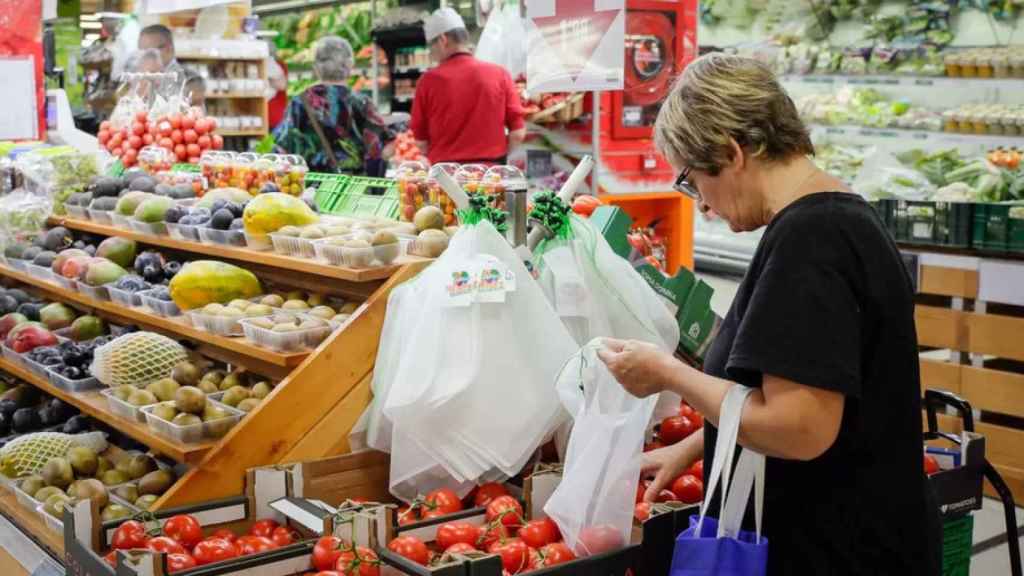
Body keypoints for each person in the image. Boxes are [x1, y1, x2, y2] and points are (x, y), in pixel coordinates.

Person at [597, 53, 941, 575]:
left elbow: (800, 427)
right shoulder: (840, 215)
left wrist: (668, 374)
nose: (702, 205)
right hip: (872, 534)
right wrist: (694, 446)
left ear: (732, 152)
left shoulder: (811, 241)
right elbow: (807, 384)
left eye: (691, 181)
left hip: (840, 549)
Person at [410, 8, 525, 165]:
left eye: (431, 46)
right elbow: (518, 133)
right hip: (491, 176)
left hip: (445, 178)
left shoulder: (428, 81)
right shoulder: (500, 74)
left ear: (443, 40)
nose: (431, 53)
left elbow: (421, 142)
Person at [273, 36, 394, 175]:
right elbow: (383, 150)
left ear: (316, 68)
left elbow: (282, 148)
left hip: (311, 187)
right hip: (353, 188)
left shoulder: (299, 102)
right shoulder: (361, 103)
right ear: (349, 65)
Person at [137, 24, 185, 95]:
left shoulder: (178, 77)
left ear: (168, 48)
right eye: (141, 51)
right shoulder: (149, 72)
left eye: (149, 52)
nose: (143, 57)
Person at [266, 42, 289, 130]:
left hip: (273, 112)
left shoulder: (279, 65)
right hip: (276, 113)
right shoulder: (280, 65)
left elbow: (282, 85)